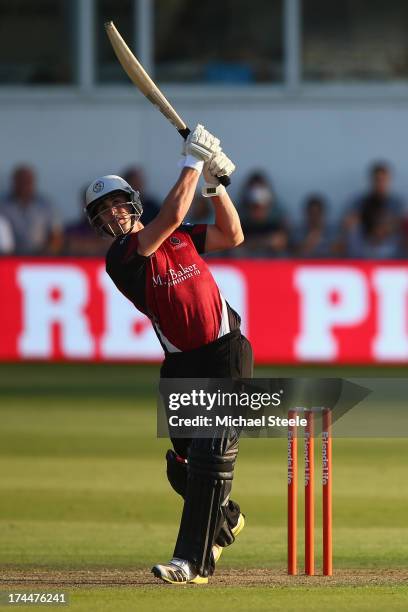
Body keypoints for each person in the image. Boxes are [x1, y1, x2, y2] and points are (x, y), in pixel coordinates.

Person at [85, 124, 253, 585]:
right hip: (180, 365)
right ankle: (225, 519)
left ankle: (192, 563)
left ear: (132, 203)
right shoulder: (123, 257)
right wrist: (194, 162)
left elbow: (232, 234)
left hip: (225, 351)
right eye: (103, 213)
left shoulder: (181, 237)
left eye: (117, 204)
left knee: (210, 456)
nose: (113, 215)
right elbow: (174, 212)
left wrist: (218, 186)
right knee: (182, 467)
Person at [341, 162, 405, 258]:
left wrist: (385, 229)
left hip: (390, 244)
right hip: (365, 244)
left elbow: (399, 223)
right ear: (371, 180)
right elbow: (349, 222)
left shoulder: (397, 203)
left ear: (389, 180)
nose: (380, 183)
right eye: (377, 180)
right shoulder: (359, 202)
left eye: (383, 180)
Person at [0, 165, 63, 255]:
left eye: (27, 181)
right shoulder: (2, 204)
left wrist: (48, 253)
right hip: (8, 257)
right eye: (21, 181)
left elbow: (56, 235)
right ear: (14, 182)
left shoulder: (45, 205)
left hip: (39, 257)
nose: (24, 185)